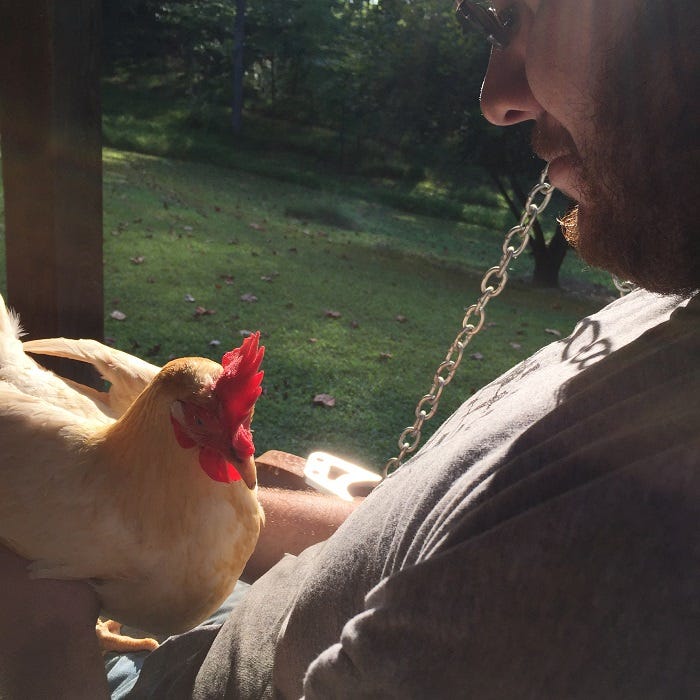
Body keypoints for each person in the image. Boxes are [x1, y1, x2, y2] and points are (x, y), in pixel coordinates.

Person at [1, 0, 698, 697]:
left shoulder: (618, 567)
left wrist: (42, 625)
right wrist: (194, 518)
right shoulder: (671, 299)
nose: (496, 101)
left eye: (514, 14)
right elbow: (449, 529)